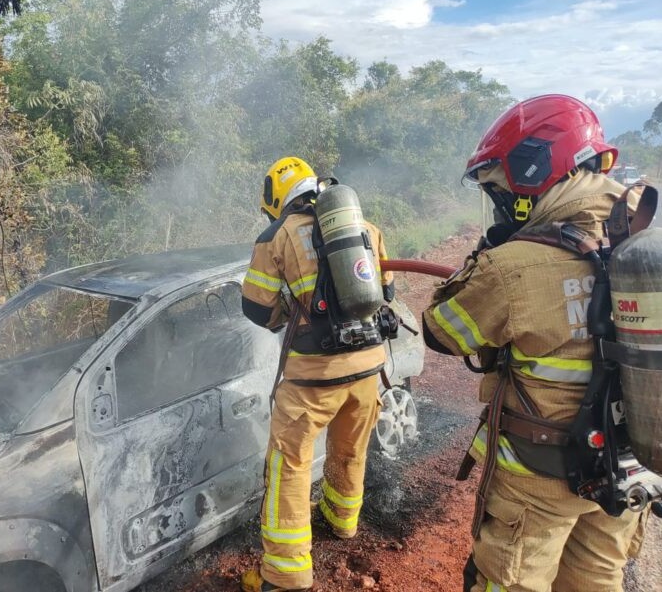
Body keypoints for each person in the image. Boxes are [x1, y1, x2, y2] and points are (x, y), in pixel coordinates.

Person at [422, 94, 648, 592]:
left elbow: (441, 332)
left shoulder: (515, 265)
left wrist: (487, 253)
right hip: (628, 462)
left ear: (534, 170)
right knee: (597, 579)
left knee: (513, 581)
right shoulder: (643, 241)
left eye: (500, 189)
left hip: (538, 475)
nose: (501, 203)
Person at [240, 156, 395, 592]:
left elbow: (256, 308)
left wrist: (289, 312)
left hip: (313, 376)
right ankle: (341, 523)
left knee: (288, 467)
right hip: (368, 368)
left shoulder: (277, 235)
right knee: (350, 449)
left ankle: (285, 575)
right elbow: (385, 292)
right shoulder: (365, 226)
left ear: (275, 198)